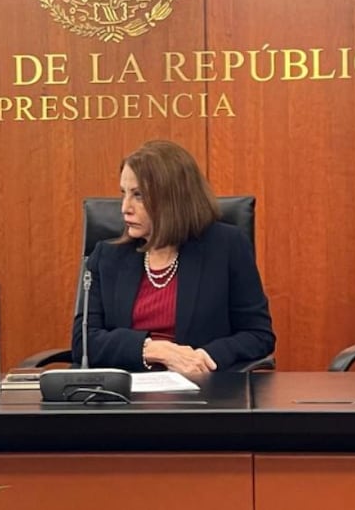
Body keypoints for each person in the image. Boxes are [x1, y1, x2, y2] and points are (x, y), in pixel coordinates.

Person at [71, 140, 275, 374]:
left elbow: (258, 335)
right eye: (123, 194)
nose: (124, 208)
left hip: (202, 392)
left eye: (138, 195)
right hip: (125, 394)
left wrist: (204, 357)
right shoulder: (107, 257)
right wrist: (154, 350)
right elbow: (83, 342)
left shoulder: (226, 247)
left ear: (173, 199)